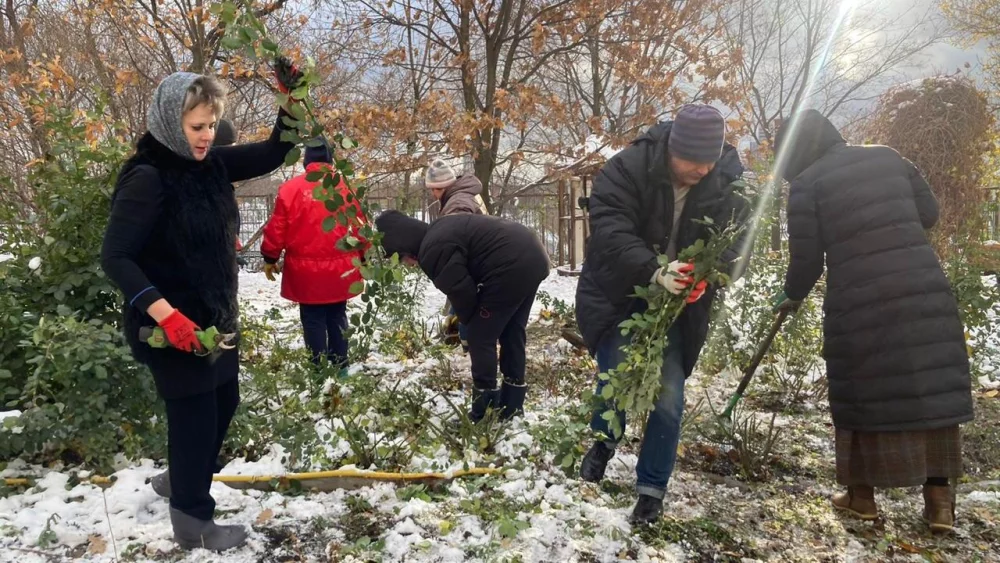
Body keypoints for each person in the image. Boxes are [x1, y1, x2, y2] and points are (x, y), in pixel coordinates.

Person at [101, 70, 297, 550]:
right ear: (171, 122)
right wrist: (165, 313)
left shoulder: (209, 165)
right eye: (197, 127)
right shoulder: (148, 178)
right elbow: (116, 256)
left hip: (214, 320)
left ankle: (180, 478)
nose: (208, 136)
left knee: (223, 402)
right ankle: (193, 520)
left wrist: (292, 101)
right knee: (195, 417)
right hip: (169, 325)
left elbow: (276, 152)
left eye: (211, 124)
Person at [770, 109, 973, 533]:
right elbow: (929, 213)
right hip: (923, 292)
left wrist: (791, 295)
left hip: (861, 303)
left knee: (862, 390)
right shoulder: (889, 156)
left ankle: (862, 498)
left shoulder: (807, 185)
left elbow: (806, 261)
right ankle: (940, 505)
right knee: (931, 386)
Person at [574, 104, 750, 524]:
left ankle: (652, 489)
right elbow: (610, 232)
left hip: (681, 307)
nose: (704, 169)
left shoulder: (727, 180)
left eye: (710, 159)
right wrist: (654, 271)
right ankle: (604, 440)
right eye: (694, 160)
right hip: (623, 293)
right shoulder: (628, 168)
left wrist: (710, 275)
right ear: (672, 148)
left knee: (669, 396)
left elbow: (738, 243)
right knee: (615, 377)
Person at [375, 210, 549, 421]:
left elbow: (462, 293)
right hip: (532, 254)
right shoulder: (439, 230)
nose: (409, 265)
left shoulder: (432, 251)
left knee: (480, 337)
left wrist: (469, 326)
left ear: (406, 249)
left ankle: (483, 413)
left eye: (403, 260)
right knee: (512, 330)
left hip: (510, 264)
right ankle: (511, 406)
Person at [260, 137, 367, 369]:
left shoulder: (290, 189)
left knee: (312, 319)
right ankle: (341, 368)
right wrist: (364, 258)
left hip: (304, 272)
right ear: (330, 158)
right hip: (342, 268)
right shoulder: (345, 186)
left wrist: (270, 257)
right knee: (338, 316)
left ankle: (318, 371)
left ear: (306, 160)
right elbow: (360, 227)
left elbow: (277, 227)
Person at [424, 158, 488, 350]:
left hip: (474, 262)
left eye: (434, 190)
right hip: (480, 257)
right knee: (458, 304)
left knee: (465, 304)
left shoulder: (457, 203)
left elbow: (457, 236)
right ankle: (455, 336)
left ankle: (468, 347)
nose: (433, 195)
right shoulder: (465, 194)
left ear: (440, 187)